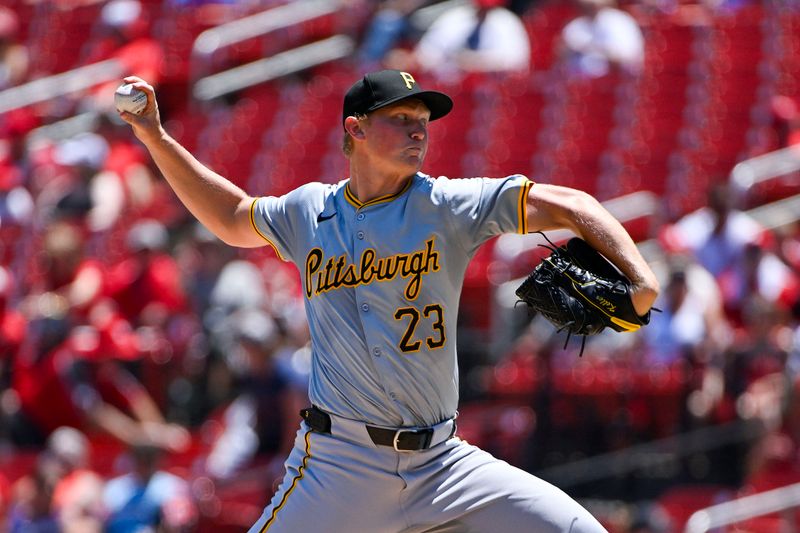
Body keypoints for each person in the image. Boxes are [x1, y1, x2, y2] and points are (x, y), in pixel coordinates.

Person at [118, 69, 658, 532]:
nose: (419, 127)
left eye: (423, 117)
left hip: (444, 464)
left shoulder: (446, 204)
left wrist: (639, 277)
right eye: (401, 117)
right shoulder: (310, 212)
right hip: (341, 464)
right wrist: (156, 137)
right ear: (355, 129)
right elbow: (233, 218)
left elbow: (568, 202)